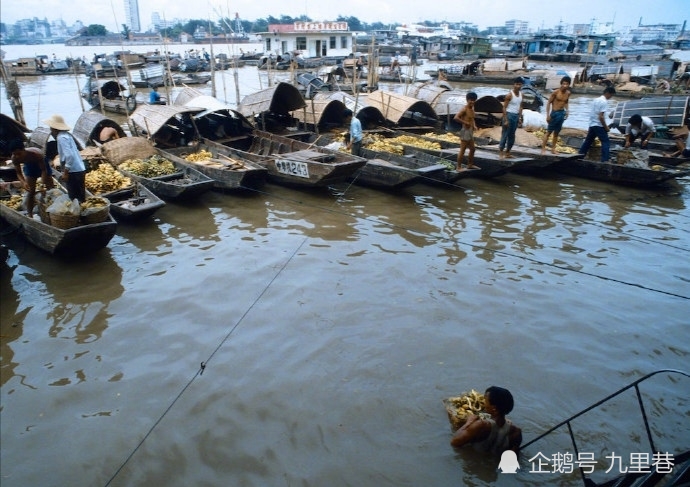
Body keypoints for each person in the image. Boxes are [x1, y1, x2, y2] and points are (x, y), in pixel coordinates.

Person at [450, 386, 522, 455]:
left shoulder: (481, 425)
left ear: (494, 409)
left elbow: (454, 442)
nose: (484, 403)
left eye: (485, 400)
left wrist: (469, 422)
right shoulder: (516, 433)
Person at [44, 114, 86, 202]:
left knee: (74, 198)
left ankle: (79, 214)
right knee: (81, 198)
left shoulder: (61, 138)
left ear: (54, 128)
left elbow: (69, 156)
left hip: (73, 172)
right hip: (79, 169)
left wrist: (66, 172)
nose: (50, 130)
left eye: (51, 128)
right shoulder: (67, 135)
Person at [8, 138, 55, 218]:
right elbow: (19, 173)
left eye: (19, 154)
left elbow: (43, 170)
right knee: (31, 191)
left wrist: (43, 182)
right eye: (14, 154)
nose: (17, 156)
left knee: (49, 187)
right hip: (29, 166)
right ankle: (30, 215)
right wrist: (23, 182)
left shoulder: (35, 155)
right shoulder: (14, 158)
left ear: (24, 150)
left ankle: (52, 213)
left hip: (41, 163)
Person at [578, 86, 616, 163]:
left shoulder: (595, 100)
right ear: (608, 93)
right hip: (599, 125)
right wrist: (606, 127)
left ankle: (580, 155)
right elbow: (601, 117)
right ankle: (605, 160)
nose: (611, 97)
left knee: (588, 141)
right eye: (611, 95)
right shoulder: (604, 102)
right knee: (605, 142)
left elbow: (593, 113)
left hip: (592, 124)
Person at [541, 76, 572, 154]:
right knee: (549, 132)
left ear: (569, 85)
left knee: (556, 133)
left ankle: (553, 149)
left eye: (567, 84)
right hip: (554, 113)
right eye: (563, 84)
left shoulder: (568, 93)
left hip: (561, 113)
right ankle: (543, 149)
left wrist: (567, 111)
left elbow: (566, 102)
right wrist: (547, 115)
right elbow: (548, 103)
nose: (565, 85)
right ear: (561, 84)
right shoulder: (555, 92)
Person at [499, 77, 524, 159]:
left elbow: (520, 106)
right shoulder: (509, 95)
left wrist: (520, 118)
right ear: (514, 85)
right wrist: (505, 119)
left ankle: (508, 152)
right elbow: (504, 108)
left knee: (512, 135)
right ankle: (501, 152)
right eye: (516, 84)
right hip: (509, 115)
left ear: (521, 85)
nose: (518, 86)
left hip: (516, 116)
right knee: (505, 134)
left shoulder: (521, 95)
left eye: (519, 84)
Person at [453, 92, 479, 170]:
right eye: (471, 100)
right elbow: (456, 118)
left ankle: (470, 164)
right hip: (465, 131)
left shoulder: (472, 108)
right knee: (463, 150)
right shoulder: (464, 109)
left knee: (473, 149)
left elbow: (472, 118)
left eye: (474, 100)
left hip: (470, 131)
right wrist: (465, 122)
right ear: (467, 100)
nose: (472, 102)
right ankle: (458, 167)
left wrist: (474, 125)